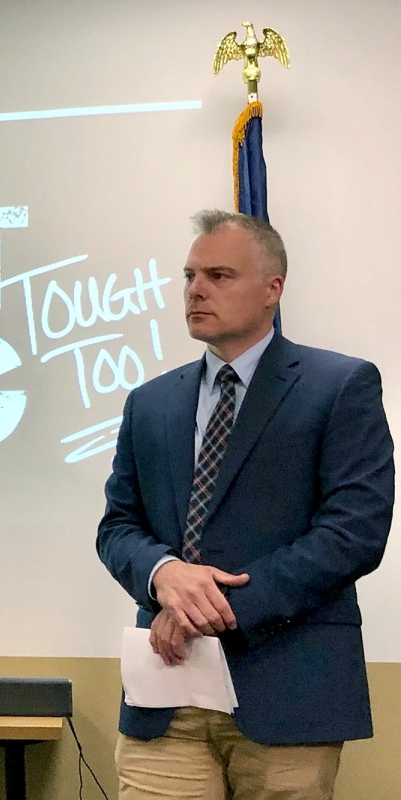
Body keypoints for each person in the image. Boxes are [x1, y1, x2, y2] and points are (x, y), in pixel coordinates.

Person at [96, 210, 394, 799]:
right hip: (167, 695)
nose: (196, 290)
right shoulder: (149, 403)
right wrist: (165, 574)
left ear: (273, 289)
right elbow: (118, 527)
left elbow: (353, 533)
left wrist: (215, 605)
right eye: (189, 276)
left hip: (287, 689)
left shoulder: (340, 386)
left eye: (220, 275)